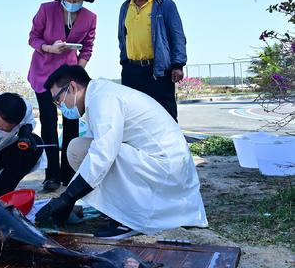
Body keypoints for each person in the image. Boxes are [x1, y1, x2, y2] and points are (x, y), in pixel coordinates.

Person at [35, 65, 208, 239]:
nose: (60, 107)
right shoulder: (97, 96)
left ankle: (129, 220)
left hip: (168, 172)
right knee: (78, 149)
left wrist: (67, 197)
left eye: (58, 100)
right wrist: (69, 198)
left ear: (72, 87)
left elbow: (102, 155)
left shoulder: (103, 99)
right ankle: (119, 209)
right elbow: (93, 154)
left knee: (95, 153)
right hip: (162, 167)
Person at [28, 0, 97, 192]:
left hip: (69, 76)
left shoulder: (90, 17)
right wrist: (49, 47)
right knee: (48, 122)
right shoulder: (46, 10)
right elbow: (33, 38)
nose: (74, 2)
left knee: (71, 123)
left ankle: (69, 171)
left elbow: (87, 47)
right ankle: (52, 174)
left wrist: (78, 71)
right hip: (43, 73)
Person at [118, 0, 186, 121]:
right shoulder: (124, 7)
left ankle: (172, 146)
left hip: (158, 70)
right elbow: (122, 37)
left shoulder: (165, 4)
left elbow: (177, 36)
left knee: (166, 115)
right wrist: (124, 62)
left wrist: (178, 65)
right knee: (134, 118)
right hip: (132, 71)